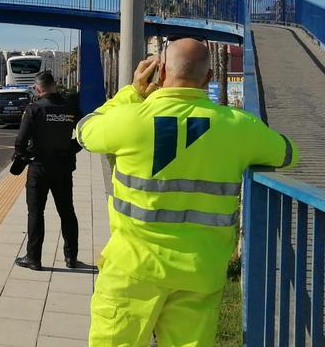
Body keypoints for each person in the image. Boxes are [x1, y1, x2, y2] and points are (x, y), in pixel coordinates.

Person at [77, 37, 298, 346]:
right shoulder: (238, 126)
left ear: (160, 70)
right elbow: (288, 153)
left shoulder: (130, 120)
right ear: (209, 78)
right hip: (201, 271)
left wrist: (132, 92)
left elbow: (85, 131)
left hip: (133, 269)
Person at [12, 71, 82, 271]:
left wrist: (24, 156)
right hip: (63, 167)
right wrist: (71, 148)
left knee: (35, 213)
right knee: (67, 212)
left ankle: (33, 258)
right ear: (54, 85)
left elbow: (20, 141)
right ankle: (71, 258)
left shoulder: (34, 109)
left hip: (39, 168)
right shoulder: (70, 108)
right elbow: (86, 133)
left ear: (38, 88)